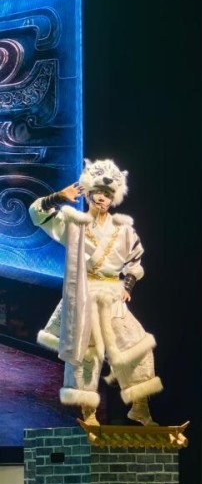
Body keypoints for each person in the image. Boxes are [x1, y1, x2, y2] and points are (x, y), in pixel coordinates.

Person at [29, 158, 162, 426]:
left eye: (108, 194)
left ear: (114, 199)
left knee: (137, 346)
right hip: (83, 294)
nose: (103, 198)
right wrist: (59, 197)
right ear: (89, 193)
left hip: (112, 295)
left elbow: (135, 261)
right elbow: (36, 213)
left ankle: (139, 406)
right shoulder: (73, 223)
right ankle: (88, 414)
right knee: (86, 354)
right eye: (98, 192)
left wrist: (127, 286)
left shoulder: (123, 230)